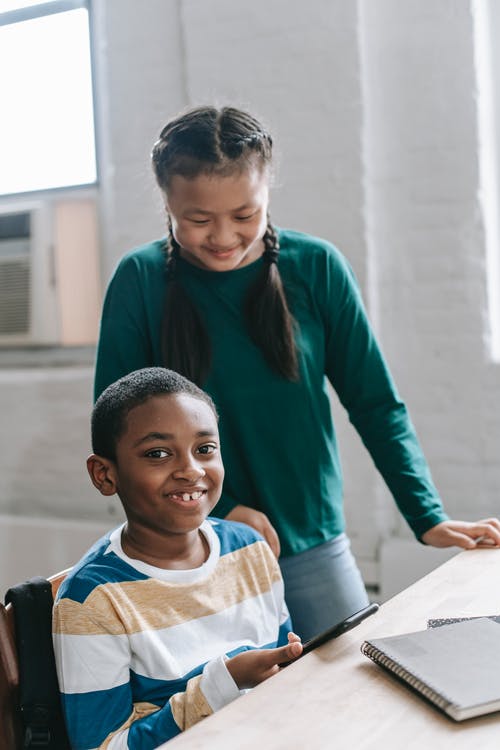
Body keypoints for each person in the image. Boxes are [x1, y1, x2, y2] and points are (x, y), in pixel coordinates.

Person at [93, 105, 500, 641]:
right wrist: (225, 505)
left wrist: (426, 514)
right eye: (197, 220)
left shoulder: (317, 266)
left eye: (244, 215)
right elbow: (116, 431)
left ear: (267, 193)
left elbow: (376, 404)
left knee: (350, 686)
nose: (222, 236)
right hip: (189, 544)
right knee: (218, 707)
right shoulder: (139, 278)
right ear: (167, 201)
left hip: (309, 540)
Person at [52, 367, 302, 750]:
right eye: (158, 454)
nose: (191, 470)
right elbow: (101, 747)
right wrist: (223, 685)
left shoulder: (249, 549)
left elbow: (282, 671)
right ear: (105, 475)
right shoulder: (92, 600)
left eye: (205, 449)